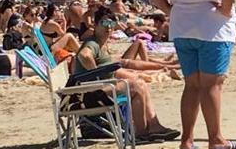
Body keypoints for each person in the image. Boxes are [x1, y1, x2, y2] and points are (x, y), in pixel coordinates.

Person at [144, 0, 236, 149]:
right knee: (212, 85)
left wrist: (168, 8)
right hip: (212, 29)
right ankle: (216, 139)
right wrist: (226, 9)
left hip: (182, 27)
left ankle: (187, 140)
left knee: (192, 85)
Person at [73, 7, 180, 141]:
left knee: (140, 83)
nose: (108, 28)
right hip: (88, 95)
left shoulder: (102, 44)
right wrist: (96, 75)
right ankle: (141, 133)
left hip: (96, 91)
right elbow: (84, 55)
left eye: (111, 24)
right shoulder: (93, 43)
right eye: (104, 24)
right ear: (95, 25)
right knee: (135, 87)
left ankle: (153, 126)